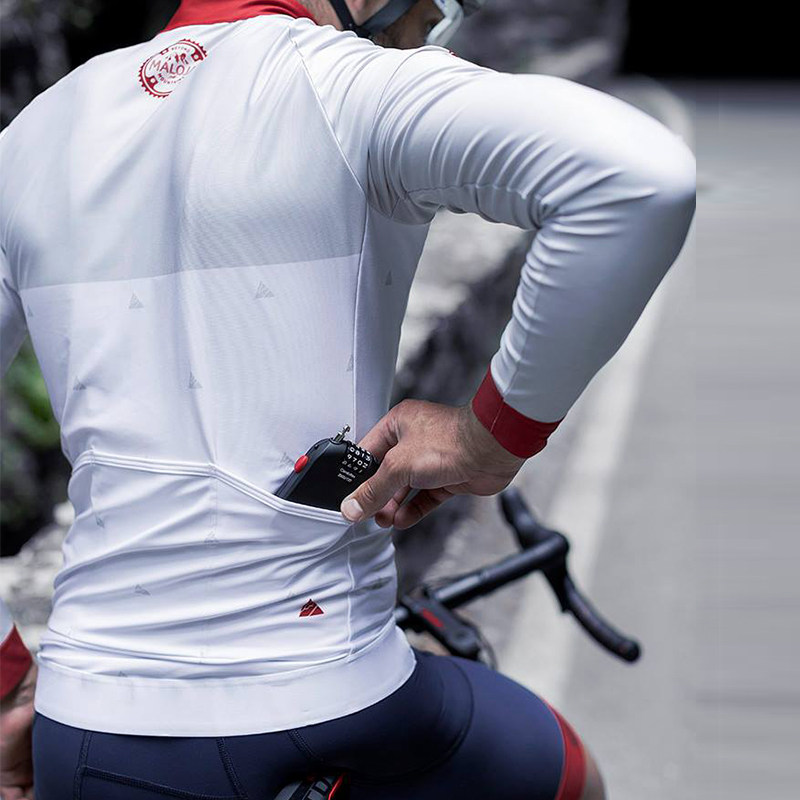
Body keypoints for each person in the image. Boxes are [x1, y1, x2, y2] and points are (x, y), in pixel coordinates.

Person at [0, 0, 696, 797]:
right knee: (571, 777)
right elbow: (636, 179)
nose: (430, 30)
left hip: (93, 726)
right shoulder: (351, 87)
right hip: (334, 695)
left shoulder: (35, 135)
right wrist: (489, 440)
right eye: (435, 9)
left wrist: (10, 683)